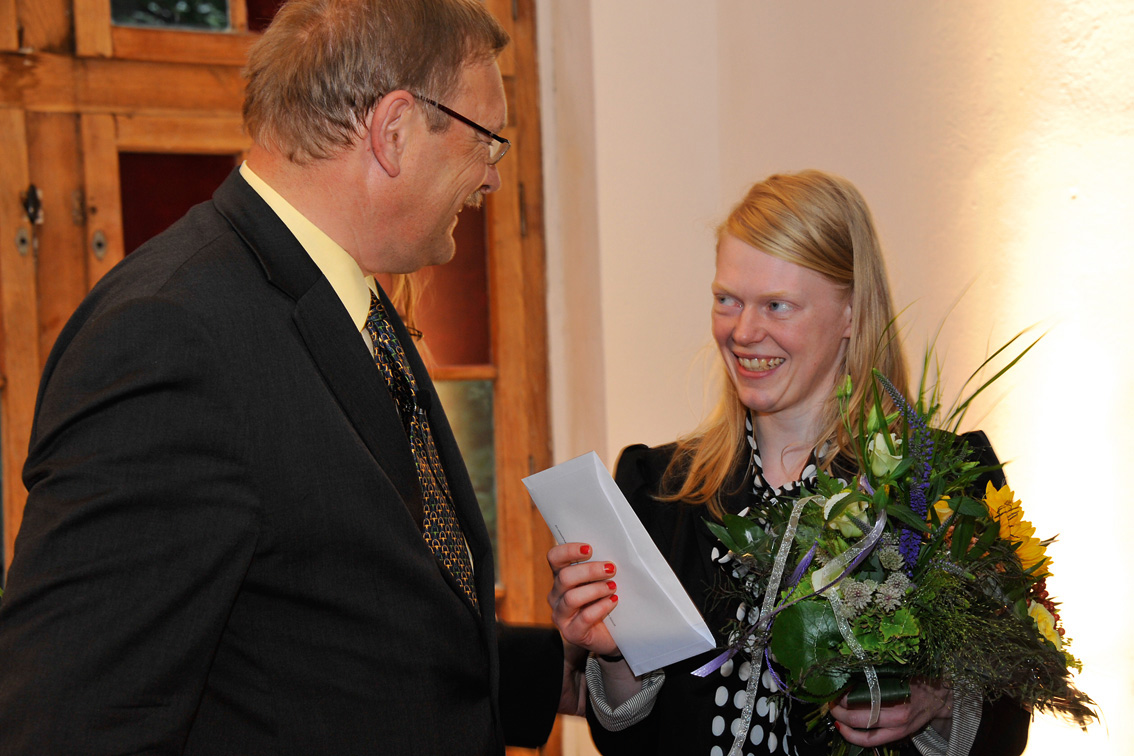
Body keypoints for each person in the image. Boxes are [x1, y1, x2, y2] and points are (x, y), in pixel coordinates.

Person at [0, 1, 568, 753]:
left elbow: (345, 619)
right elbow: (74, 718)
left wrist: (577, 671)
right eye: (486, 141)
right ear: (394, 131)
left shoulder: (351, 304)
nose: (492, 178)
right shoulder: (170, 336)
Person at [548, 170, 1031, 756]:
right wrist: (616, 652)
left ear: (852, 313)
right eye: (727, 300)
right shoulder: (658, 491)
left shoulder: (942, 482)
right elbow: (630, 743)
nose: (744, 332)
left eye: (777, 305)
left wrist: (938, 700)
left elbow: (1008, 728)